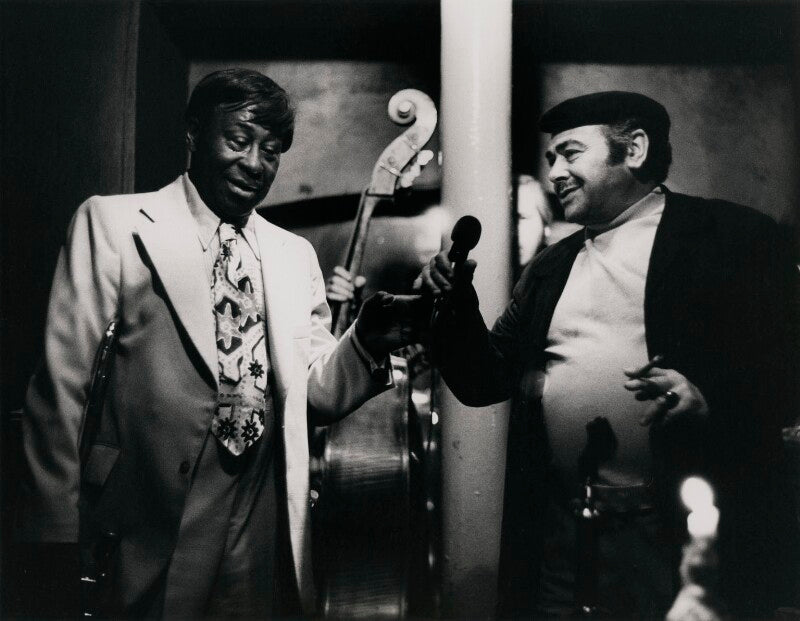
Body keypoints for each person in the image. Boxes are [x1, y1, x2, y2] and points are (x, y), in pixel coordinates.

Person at [16, 68, 414, 618]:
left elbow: (314, 392)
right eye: (238, 140)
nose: (254, 163)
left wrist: (364, 341)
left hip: (254, 524)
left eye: (270, 151)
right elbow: (61, 390)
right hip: (136, 522)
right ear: (194, 133)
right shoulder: (113, 223)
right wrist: (53, 531)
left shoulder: (293, 254)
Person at [416, 91, 799, 618]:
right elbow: (485, 381)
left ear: (634, 149)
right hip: (565, 535)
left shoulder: (732, 239)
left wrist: (710, 399)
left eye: (570, 153)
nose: (555, 173)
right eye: (551, 158)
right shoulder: (550, 267)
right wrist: (456, 304)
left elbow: (787, 371)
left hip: (680, 540)